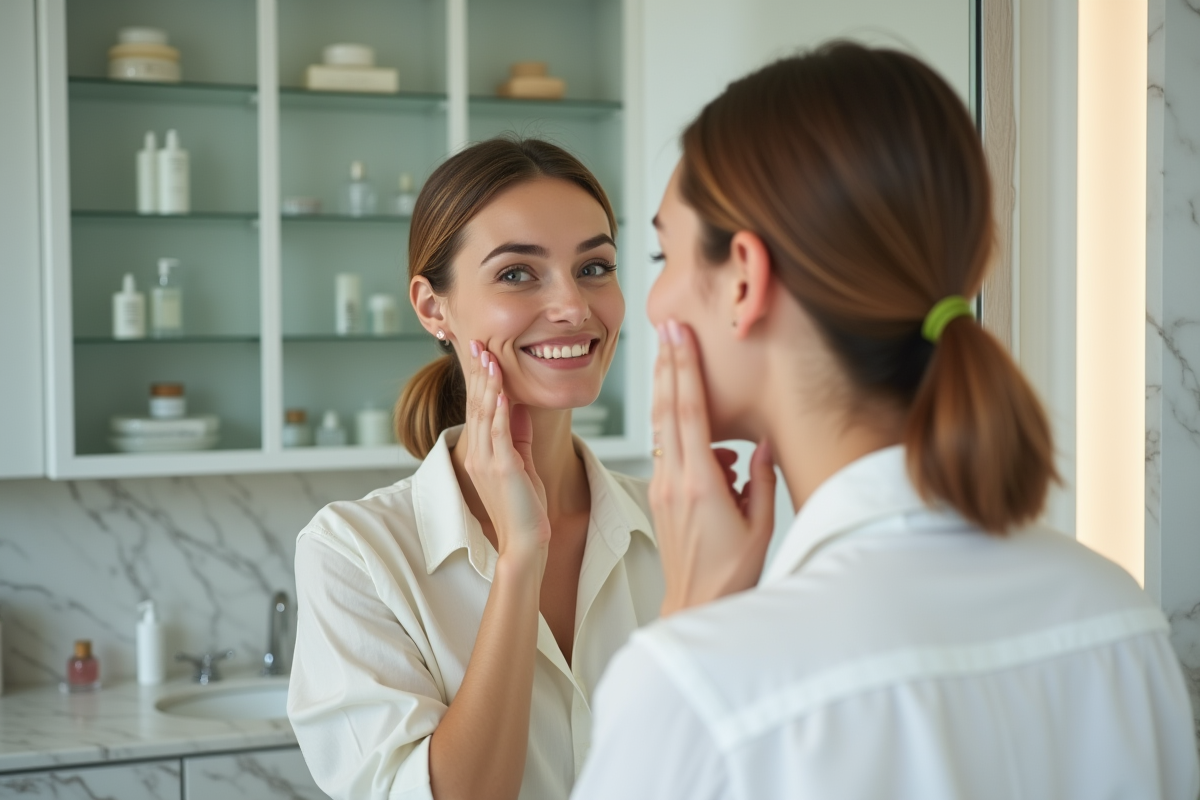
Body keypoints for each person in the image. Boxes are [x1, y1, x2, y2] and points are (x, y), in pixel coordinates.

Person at [572, 43, 1199, 799]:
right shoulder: (1116, 614)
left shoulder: (703, 689)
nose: (654, 304)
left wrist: (688, 628)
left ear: (744, 277)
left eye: (661, 255)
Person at [287, 138, 664, 800]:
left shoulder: (676, 523)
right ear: (433, 307)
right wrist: (521, 558)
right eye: (518, 273)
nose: (574, 307)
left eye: (595, 267)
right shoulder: (355, 555)